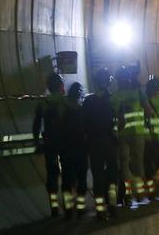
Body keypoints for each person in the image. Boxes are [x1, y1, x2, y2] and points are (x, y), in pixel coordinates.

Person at [84, 68, 119, 220]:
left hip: (94, 143)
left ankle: (100, 210)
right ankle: (112, 206)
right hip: (109, 142)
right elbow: (119, 122)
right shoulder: (112, 99)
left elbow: (83, 124)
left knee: (98, 176)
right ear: (108, 82)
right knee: (112, 175)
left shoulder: (88, 101)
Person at [112, 64, 148, 209]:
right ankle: (140, 194)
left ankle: (128, 195)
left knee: (125, 165)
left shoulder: (115, 97)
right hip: (138, 133)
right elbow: (149, 111)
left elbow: (112, 117)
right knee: (139, 164)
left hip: (122, 134)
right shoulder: (138, 92)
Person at [32, 72, 66, 217]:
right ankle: (69, 206)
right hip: (65, 143)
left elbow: (36, 126)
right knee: (68, 174)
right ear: (60, 86)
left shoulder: (42, 103)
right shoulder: (66, 102)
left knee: (52, 175)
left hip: (49, 143)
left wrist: (37, 142)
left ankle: (53, 207)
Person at [61, 82, 89, 218]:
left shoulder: (63, 110)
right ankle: (80, 208)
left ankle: (68, 209)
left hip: (66, 150)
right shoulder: (82, 110)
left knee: (67, 180)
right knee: (81, 179)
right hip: (80, 149)